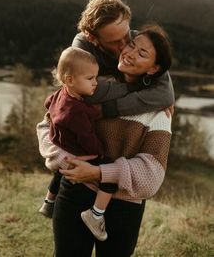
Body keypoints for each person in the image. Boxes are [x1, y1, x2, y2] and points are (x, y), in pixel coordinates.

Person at [37, 23, 173, 257]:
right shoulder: (92, 85)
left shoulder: (158, 109)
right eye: (132, 44)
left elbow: (152, 175)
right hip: (74, 191)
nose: (130, 52)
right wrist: (68, 161)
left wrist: (99, 173)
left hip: (123, 206)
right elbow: (47, 126)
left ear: (154, 69)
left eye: (142, 53)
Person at [40, 46, 118, 241]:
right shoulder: (77, 111)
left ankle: (49, 201)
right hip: (77, 151)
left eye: (96, 77)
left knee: (61, 171)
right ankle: (96, 214)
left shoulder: (61, 93)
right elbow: (87, 137)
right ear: (70, 80)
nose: (96, 83)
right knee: (111, 174)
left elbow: (48, 104)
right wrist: (99, 153)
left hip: (62, 145)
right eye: (90, 78)